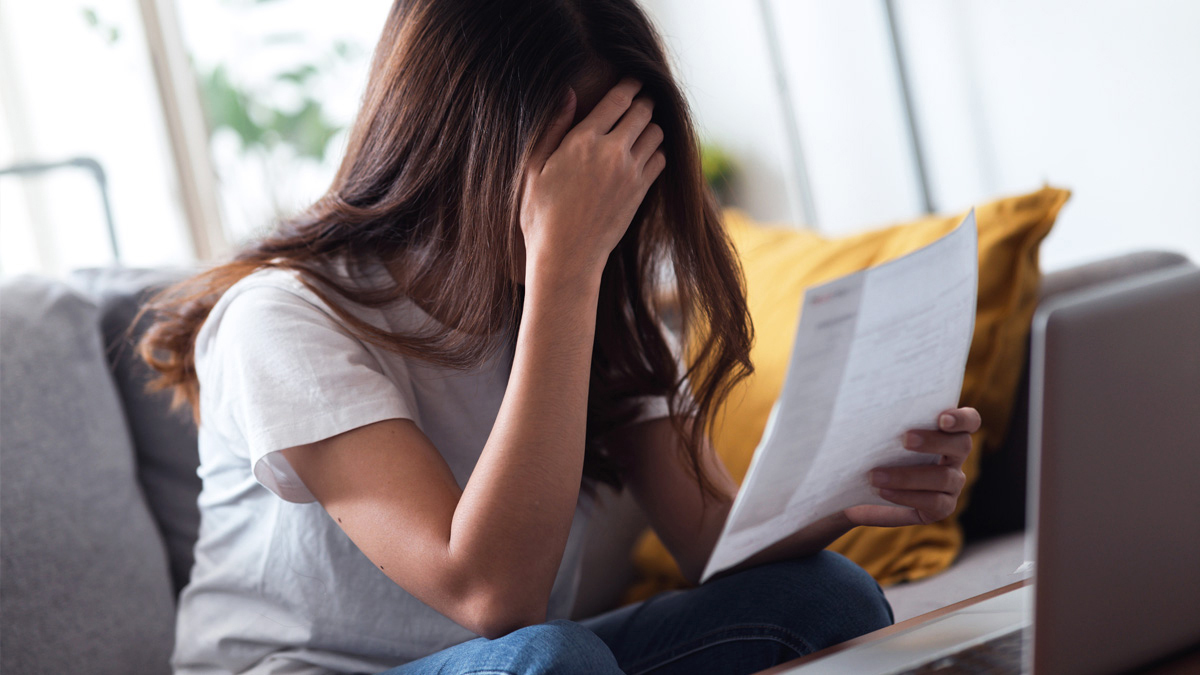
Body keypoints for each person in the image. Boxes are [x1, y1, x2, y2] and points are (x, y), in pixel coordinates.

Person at [141, 1, 980, 673]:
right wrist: (564, 271)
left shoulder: (588, 295)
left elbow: (708, 537)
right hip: (336, 666)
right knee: (553, 653)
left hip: (521, 663)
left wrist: (857, 480)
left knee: (824, 598)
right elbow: (490, 595)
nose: (601, 209)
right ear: (453, 149)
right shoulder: (284, 317)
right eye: (574, 171)